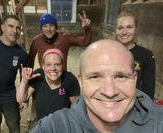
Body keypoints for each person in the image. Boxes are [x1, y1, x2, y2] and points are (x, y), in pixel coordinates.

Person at [30, 39, 163, 133]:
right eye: (95, 77)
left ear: (135, 79)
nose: (110, 92)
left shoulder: (158, 123)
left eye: (121, 76)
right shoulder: (54, 127)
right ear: (81, 81)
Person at [16, 49, 80, 122]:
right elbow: (20, 100)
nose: (53, 68)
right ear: (43, 66)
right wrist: (24, 81)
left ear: (62, 65)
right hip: (42, 124)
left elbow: (76, 106)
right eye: (48, 65)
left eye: (57, 64)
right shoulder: (38, 75)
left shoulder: (69, 79)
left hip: (62, 124)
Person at [115, 9, 155, 99]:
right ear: (115, 30)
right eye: (120, 28)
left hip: (135, 102)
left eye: (129, 27)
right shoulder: (106, 51)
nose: (124, 32)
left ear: (136, 29)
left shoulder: (146, 55)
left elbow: (149, 91)